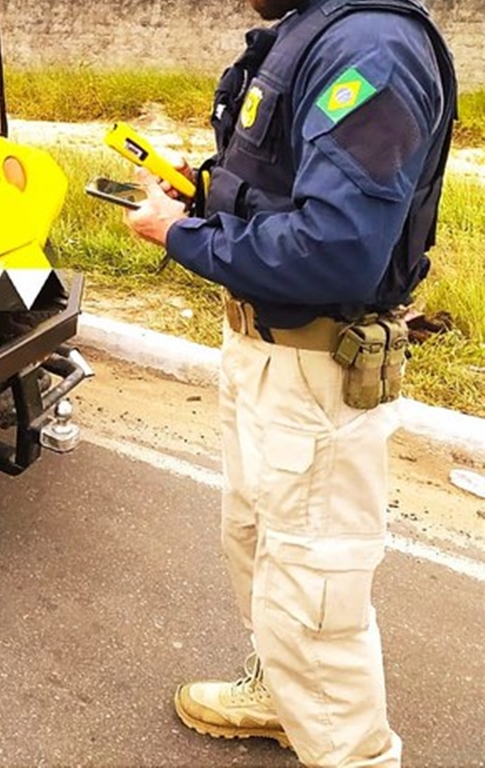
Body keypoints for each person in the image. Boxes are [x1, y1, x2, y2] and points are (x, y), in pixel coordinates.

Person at [123, 0, 456, 766]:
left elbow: (336, 250)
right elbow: (283, 188)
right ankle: (282, 694)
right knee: (256, 544)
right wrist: (201, 197)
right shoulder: (317, 30)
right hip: (264, 352)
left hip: (314, 371)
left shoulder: (372, 50)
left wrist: (180, 236)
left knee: (312, 593)